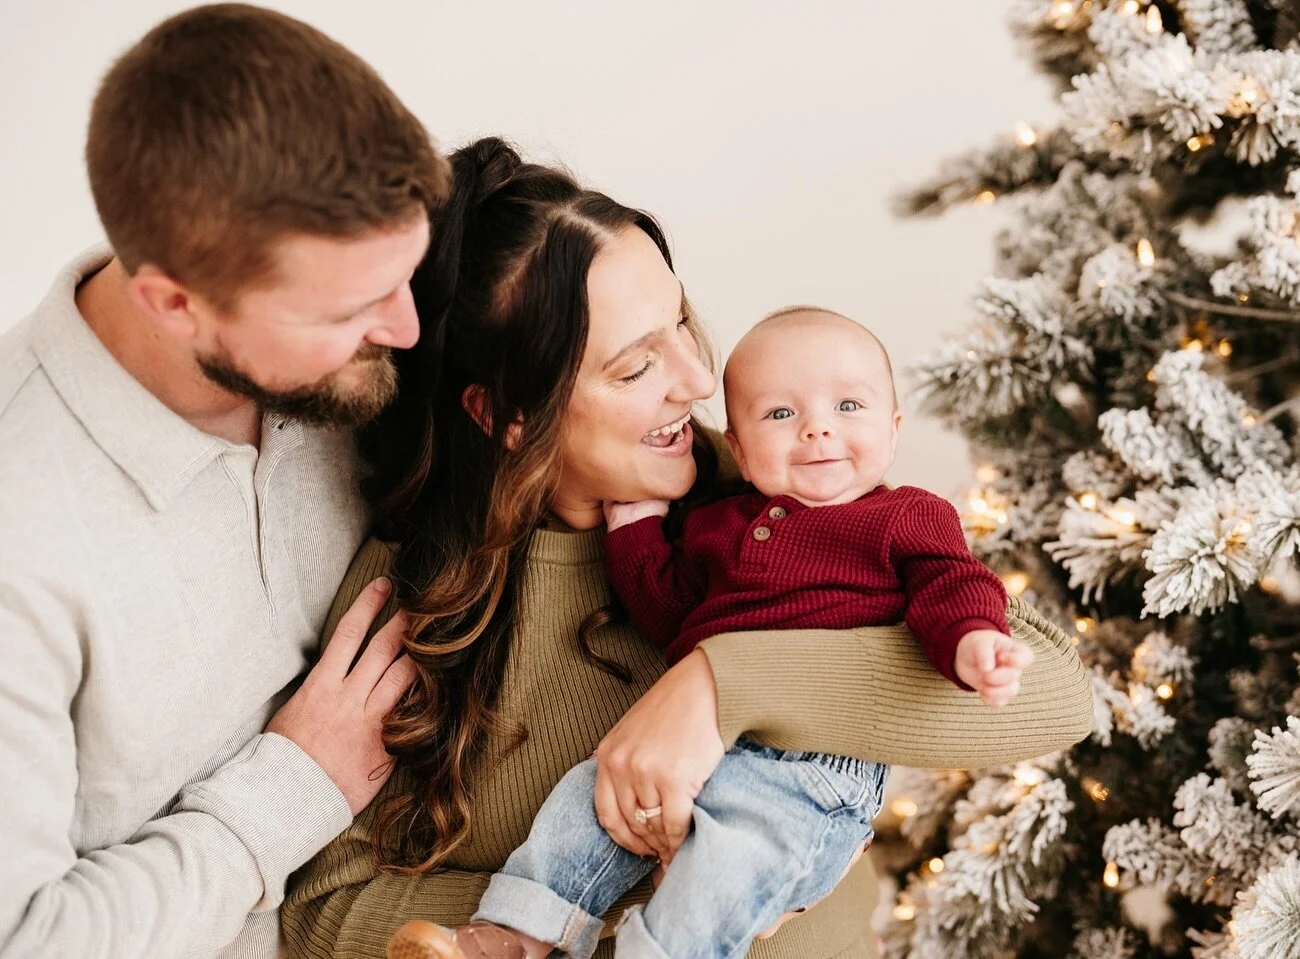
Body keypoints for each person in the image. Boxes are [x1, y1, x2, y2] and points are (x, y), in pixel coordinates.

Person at [281, 136, 1093, 959]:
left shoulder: (766, 495)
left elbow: (1058, 694)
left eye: (679, 322)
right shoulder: (418, 597)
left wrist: (717, 686)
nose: (699, 382)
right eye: (637, 366)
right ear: (505, 415)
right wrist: (667, 903)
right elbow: (322, 912)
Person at [0, 6, 448, 957]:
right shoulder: (21, 539)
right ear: (175, 300)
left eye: (404, 273)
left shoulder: (339, 359)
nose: (407, 328)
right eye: (354, 306)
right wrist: (293, 784)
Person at [387, 306, 1036, 959]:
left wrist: (973, 638)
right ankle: (512, 935)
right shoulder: (717, 523)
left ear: (893, 430)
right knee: (586, 799)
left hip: (810, 773)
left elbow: (951, 583)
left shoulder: (905, 516)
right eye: (781, 415)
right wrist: (635, 526)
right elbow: (669, 611)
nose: (817, 428)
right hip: (697, 757)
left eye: (848, 405)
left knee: (729, 863)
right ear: (741, 449)